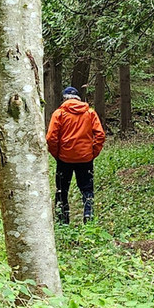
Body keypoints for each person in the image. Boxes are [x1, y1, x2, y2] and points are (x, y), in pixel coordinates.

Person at [46, 86, 105, 224]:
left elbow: (51, 138)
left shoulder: (59, 114)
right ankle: (88, 217)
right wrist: (92, 153)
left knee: (61, 190)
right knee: (87, 189)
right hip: (85, 159)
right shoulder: (90, 113)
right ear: (78, 98)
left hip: (64, 159)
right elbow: (100, 135)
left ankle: (62, 220)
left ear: (64, 98)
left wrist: (57, 154)